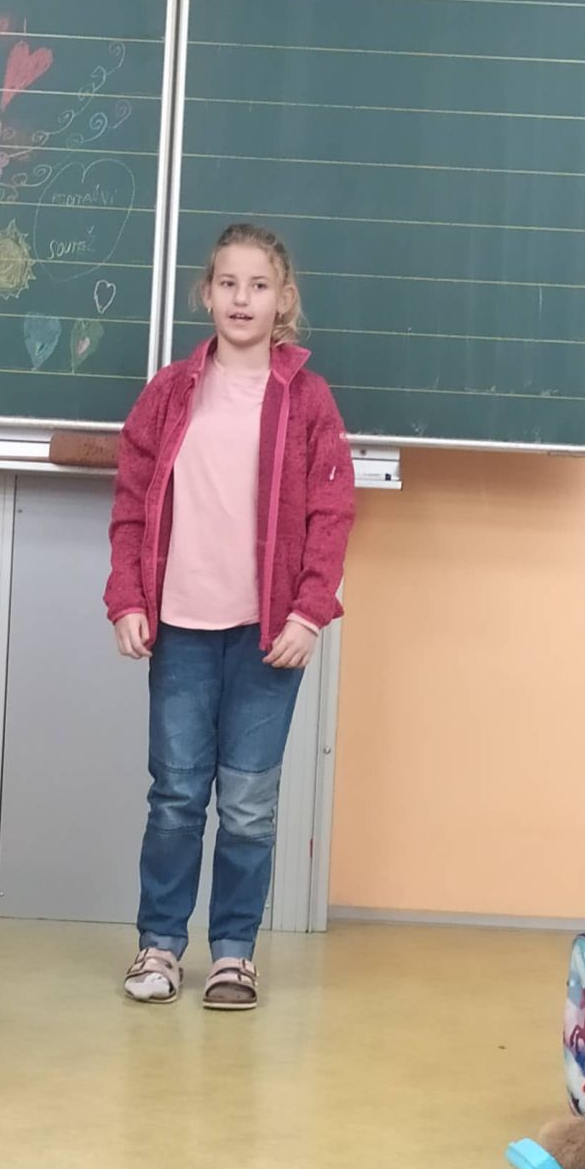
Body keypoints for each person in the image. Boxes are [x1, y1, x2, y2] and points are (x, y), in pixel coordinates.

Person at [104, 223, 355, 1010]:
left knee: (247, 805)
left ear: (284, 301)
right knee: (176, 796)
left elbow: (331, 512)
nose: (241, 298)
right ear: (205, 294)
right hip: (179, 626)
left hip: (267, 634)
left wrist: (308, 613)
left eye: (258, 285)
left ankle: (234, 954)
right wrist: (127, 597)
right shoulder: (169, 392)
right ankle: (158, 946)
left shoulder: (306, 399)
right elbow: (131, 503)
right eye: (227, 283)